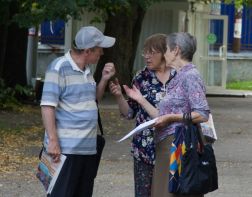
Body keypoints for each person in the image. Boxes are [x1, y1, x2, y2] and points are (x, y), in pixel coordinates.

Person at [122, 32, 210, 197]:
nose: (165, 53)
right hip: (165, 146)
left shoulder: (190, 76)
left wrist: (171, 118)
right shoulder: (181, 76)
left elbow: (202, 113)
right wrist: (140, 100)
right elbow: (161, 115)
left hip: (177, 145)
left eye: (167, 49)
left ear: (175, 51)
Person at [40, 26, 116, 197]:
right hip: (65, 150)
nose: (102, 53)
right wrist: (53, 141)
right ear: (88, 51)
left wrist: (103, 79)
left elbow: (93, 99)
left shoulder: (87, 70)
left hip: (87, 148)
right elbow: (47, 106)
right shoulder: (59, 67)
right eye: (100, 49)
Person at [109, 33, 176, 197]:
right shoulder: (141, 77)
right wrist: (119, 96)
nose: (147, 56)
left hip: (172, 147)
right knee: (143, 193)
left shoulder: (179, 77)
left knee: (170, 192)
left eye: (152, 52)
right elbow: (129, 113)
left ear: (164, 53)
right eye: (145, 52)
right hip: (144, 148)